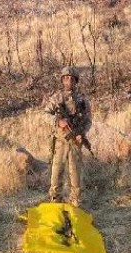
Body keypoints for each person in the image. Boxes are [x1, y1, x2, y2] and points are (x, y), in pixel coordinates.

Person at [43, 66, 92, 208]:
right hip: (60, 142)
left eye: (71, 78)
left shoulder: (82, 99)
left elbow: (88, 120)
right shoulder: (56, 98)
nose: (69, 80)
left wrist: (82, 133)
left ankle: (75, 202)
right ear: (62, 80)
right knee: (56, 173)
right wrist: (58, 121)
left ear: (75, 81)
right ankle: (55, 200)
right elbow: (45, 115)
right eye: (66, 78)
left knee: (75, 174)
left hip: (75, 143)